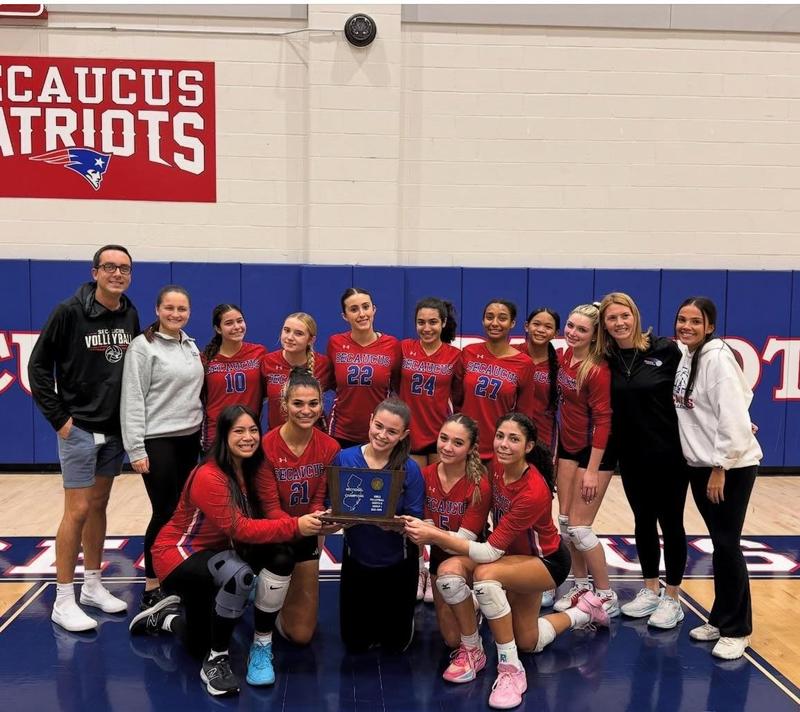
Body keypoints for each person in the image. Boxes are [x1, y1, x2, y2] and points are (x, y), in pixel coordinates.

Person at [405, 413, 608, 710]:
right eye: (500, 436)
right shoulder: (496, 470)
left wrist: (432, 533)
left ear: (529, 446)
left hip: (544, 562)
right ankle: (582, 612)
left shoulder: (533, 490)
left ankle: (510, 669)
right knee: (452, 575)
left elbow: (487, 553)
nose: (504, 444)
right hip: (509, 558)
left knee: (487, 580)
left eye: (514, 439)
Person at [130, 405, 324, 697]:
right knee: (237, 578)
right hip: (180, 555)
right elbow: (241, 529)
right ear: (223, 436)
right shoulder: (209, 475)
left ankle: (260, 644)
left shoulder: (253, 466)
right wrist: (297, 525)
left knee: (281, 556)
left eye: (253, 430)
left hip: (223, 553)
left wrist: (312, 525)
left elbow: (270, 512)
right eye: (239, 431)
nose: (248, 437)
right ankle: (214, 660)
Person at [29, 245, 139, 632]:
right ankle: (63, 598)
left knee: (99, 505)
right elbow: (38, 366)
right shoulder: (69, 311)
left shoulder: (129, 312)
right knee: (75, 510)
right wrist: (60, 420)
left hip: (113, 429)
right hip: (78, 429)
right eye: (109, 267)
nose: (117, 273)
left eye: (124, 268)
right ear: (95, 272)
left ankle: (92, 585)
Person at [673, 296, 762, 660]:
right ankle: (721, 617)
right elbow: (744, 396)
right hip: (702, 465)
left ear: (710, 326)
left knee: (727, 545)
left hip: (728, 470)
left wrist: (721, 465)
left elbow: (732, 410)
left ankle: (738, 629)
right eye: (682, 319)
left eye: (696, 321)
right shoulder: (689, 355)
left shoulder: (718, 358)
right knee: (720, 543)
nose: (687, 327)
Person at [597, 292, 690, 628]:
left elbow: (697, 387)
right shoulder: (605, 359)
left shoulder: (664, 349)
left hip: (669, 456)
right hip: (631, 458)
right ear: (604, 325)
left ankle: (674, 597)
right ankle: (650, 589)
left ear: (635, 315)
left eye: (625, 316)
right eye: (612, 318)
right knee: (643, 522)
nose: (620, 323)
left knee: (672, 524)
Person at [247, 368, 341, 686]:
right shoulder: (267, 446)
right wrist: (301, 526)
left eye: (313, 403)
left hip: (305, 534)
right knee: (278, 567)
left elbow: (318, 498)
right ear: (284, 405)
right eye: (298, 403)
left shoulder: (329, 447)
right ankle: (260, 618)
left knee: (301, 635)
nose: (306, 410)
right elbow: (270, 508)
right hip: (273, 535)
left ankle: (267, 599)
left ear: (322, 406)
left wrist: (319, 521)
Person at [121, 285, 204, 611]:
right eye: (169, 308)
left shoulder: (192, 346)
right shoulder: (143, 347)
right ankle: (152, 583)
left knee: (183, 511)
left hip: (189, 438)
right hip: (158, 440)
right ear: (157, 310)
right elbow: (132, 398)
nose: (175, 314)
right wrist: (136, 449)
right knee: (164, 511)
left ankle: (174, 576)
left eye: (181, 309)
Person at [334, 397, 424, 653]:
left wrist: (396, 525)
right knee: (355, 642)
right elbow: (333, 505)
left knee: (395, 644)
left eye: (392, 431)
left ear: (404, 434)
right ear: (371, 419)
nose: (382, 435)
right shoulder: (345, 458)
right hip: (357, 561)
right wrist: (337, 519)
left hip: (398, 561)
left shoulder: (410, 469)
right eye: (379, 426)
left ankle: (405, 616)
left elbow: (415, 520)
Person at [552, 304, 617, 617]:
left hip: (593, 453)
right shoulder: (565, 356)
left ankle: (605, 593)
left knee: (580, 529)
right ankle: (580, 586)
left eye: (581, 330)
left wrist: (592, 470)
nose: (572, 333)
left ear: (594, 336)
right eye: (570, 325)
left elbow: (604, 420)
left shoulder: (597, 369)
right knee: (565, 525)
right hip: (568, 447)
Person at [417, 414, 491, 646]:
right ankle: (472, 604)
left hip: (471, 557)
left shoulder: (479, 484)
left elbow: (464, 539)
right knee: (451, 640)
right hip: (440, 555)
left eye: (458, 443)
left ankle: (477, 599)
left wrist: (429, 533)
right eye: (443, 439)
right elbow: (420, 525)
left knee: (460, 638)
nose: (447, 447)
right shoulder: (425, 475)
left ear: (470, 448)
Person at [460, 300, 536, 462]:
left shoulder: (524, 363)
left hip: (500, 449)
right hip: (464, 445)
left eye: (502, 318)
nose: (494, 323)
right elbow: (457, 399)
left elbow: (524, 414)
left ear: (512, 323)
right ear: (483, 321)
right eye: (489, 317)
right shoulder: (468, 352)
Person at [327, 288, 401, 448]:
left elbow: (397, 384)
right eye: (354, 309)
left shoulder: (392, 345)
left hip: (380, 432)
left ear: (374, 309)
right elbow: (333, 382)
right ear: (345, 316)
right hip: (341, 431)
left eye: (365, 307)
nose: (361, 314)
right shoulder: (335, 343)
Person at [399, 297, 463, 468]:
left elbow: (458, 397)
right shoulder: (404, 348)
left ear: (443, 323)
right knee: (415, 489)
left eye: (433, 322)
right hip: (410, 433)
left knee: (439, 490)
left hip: (441, 433)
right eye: (421, 322)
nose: (426, 328)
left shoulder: (455, 356)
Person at [202, 303, 266, 452]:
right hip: (216, 433)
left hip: (248, 434)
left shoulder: (259, 353)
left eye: (240, 320)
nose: (237, 326)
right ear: (218, 329)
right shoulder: (206, 359)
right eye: (229, 323)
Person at [261, 312, 332, 429]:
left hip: (313, 438)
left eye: (298, 334)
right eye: (286, 330)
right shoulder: (268, 362)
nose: (289, 337)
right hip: (277, 439)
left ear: (311, 340)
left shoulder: (324, 364)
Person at [515, 307, 561, 454]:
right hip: (511, 432)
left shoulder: (560, 364)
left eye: (548, 327)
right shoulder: (511, 354)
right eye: (536, 324)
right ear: (526, 326)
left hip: (543, 437)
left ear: (556, 334)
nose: (541, 330)